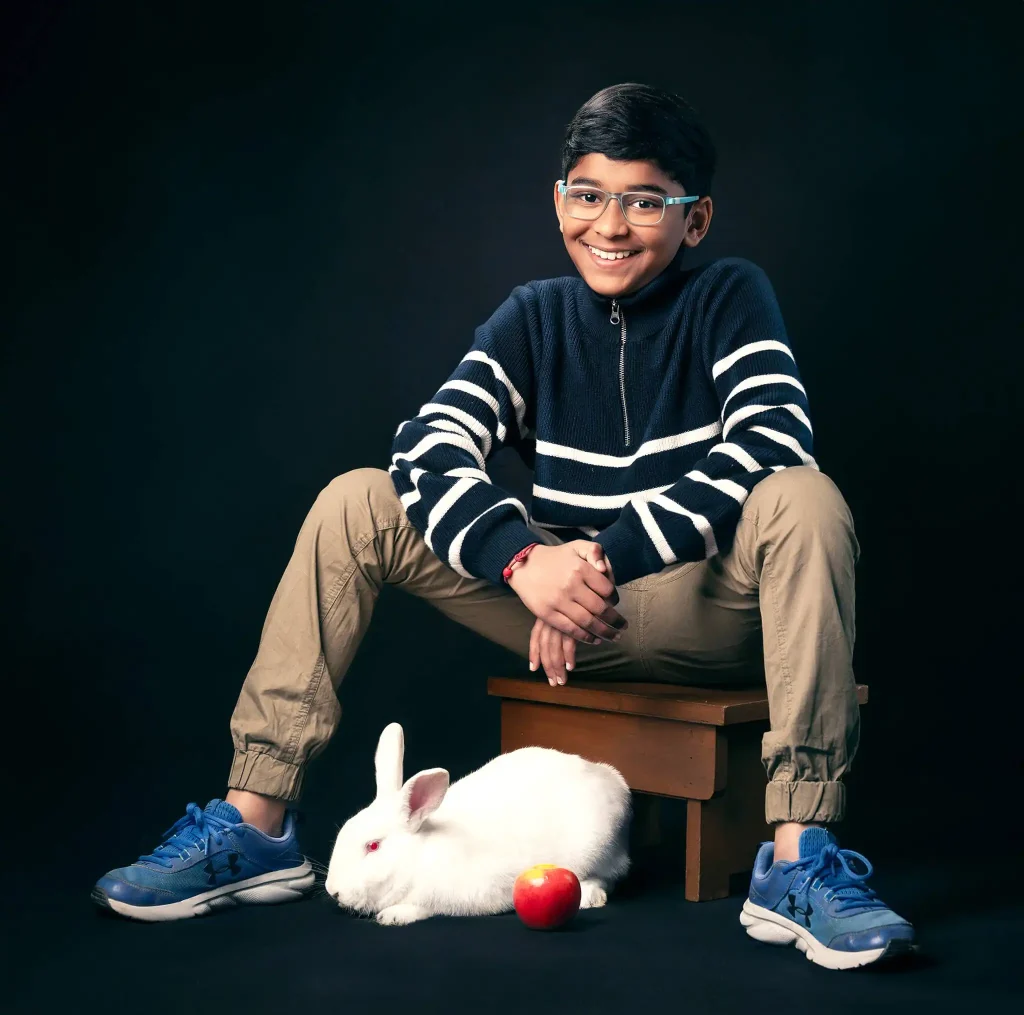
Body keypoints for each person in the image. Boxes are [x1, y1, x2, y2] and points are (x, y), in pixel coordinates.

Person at [94, 82, 914, 969]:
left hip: (698, 608)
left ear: (696, 219)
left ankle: (798, 863)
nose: (610, 223)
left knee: (806, 497)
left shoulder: (730, 299)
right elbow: (427, 445)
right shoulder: (536, 317)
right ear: (560, 200)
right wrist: (523, 559)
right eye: (588, 194)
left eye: (644, 201)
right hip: (549, 609)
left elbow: (770, 442)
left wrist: (599, 556)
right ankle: (256, 827)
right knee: (357, 500)